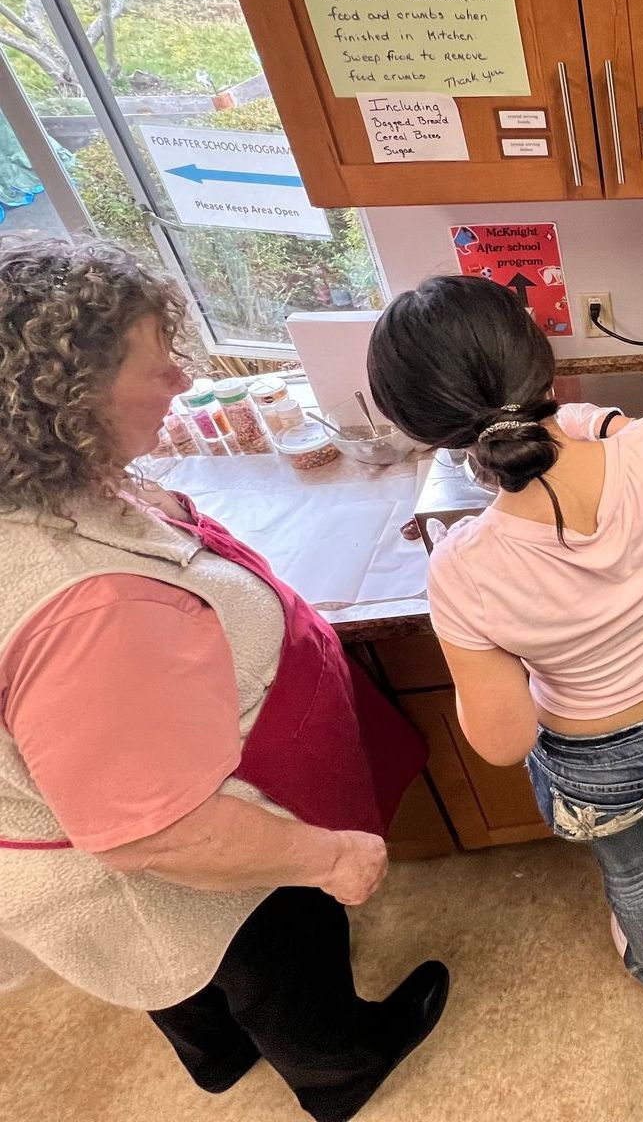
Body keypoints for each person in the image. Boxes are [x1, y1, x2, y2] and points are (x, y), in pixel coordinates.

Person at [0, 240, 441, 1122]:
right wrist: (326, 856)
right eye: (151, 357)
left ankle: (216, 1055)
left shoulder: (51, 489)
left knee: (179, 969)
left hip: (107, 839)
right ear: (63, 398)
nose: (179, 375)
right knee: (276, 953)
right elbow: (156, 833)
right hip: (190, 846)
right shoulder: (88, 609)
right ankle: (341, 1068)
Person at [367, 275, 643, 1016]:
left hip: (597, 750)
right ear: (543, 369)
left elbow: (506, 741)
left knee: (634, 866)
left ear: (427, 429)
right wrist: (607, 425)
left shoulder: (465, 568)